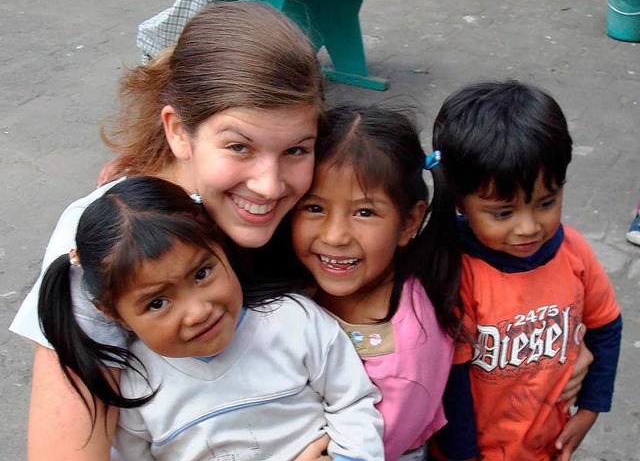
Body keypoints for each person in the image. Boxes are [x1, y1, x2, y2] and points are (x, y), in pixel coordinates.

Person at [9, 0, 326, 460]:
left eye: (297, 149)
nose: (270, 184)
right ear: (178, 131)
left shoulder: (320, 195)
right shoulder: (110, 238)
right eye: (239, 147)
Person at [37, 176, 384, 460]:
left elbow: (352, 400)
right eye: (157, 303)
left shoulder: (293, 321)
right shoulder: (134, 387)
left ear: (221, 247)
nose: (198, 311)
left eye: (202, 274)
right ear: (114, 314)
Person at [430, 80, 623, 461]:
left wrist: (589, 410)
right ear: (459, 202)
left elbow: (606, 326)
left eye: (546, 202)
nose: (528, 227)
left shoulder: (574, 252)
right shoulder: (454, 272)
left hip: (547, 446)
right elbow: (452, 383)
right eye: (503, 212)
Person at [290, 104, 463, 461]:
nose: (335, 236)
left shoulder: (402, 358)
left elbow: (368, 451)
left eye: (364, 212)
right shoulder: (296, 281)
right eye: (314, 207)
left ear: (409, 222)